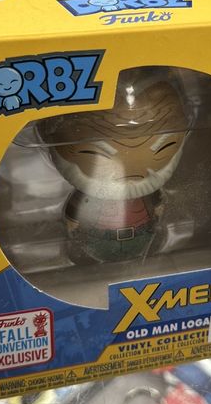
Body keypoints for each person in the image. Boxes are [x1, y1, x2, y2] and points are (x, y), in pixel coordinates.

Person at [41, 69, 187, 264]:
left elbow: (157, 202)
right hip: (99, 235)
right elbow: (75, 211)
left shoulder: (148, 191)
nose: (132, 172)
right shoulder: (89, 195)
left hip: (139, 232)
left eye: (163, 147)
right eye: (95, 153)